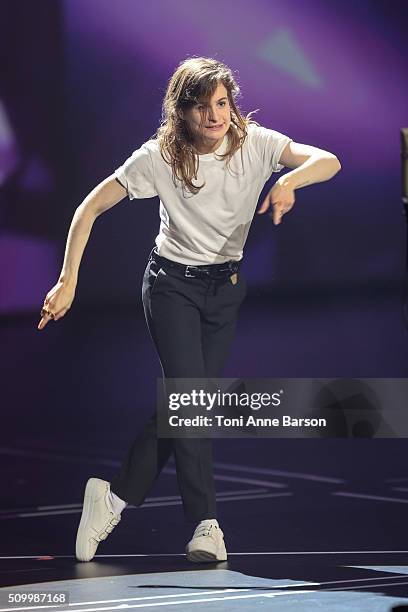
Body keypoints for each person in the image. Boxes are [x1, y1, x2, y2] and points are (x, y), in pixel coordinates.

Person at [38, 56, 341, 563]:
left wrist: (290, 182)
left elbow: (327, 159)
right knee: (193, 400)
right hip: (171, 285)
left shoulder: (257, 144)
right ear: (181, 112)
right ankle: (205, 524)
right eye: (202, 107)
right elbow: (87, 207)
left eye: (222, 103)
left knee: (186, 405)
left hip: (226, 289)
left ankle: (111, 497)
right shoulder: (159, 156)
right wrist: (68, 279)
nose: (215, 115)